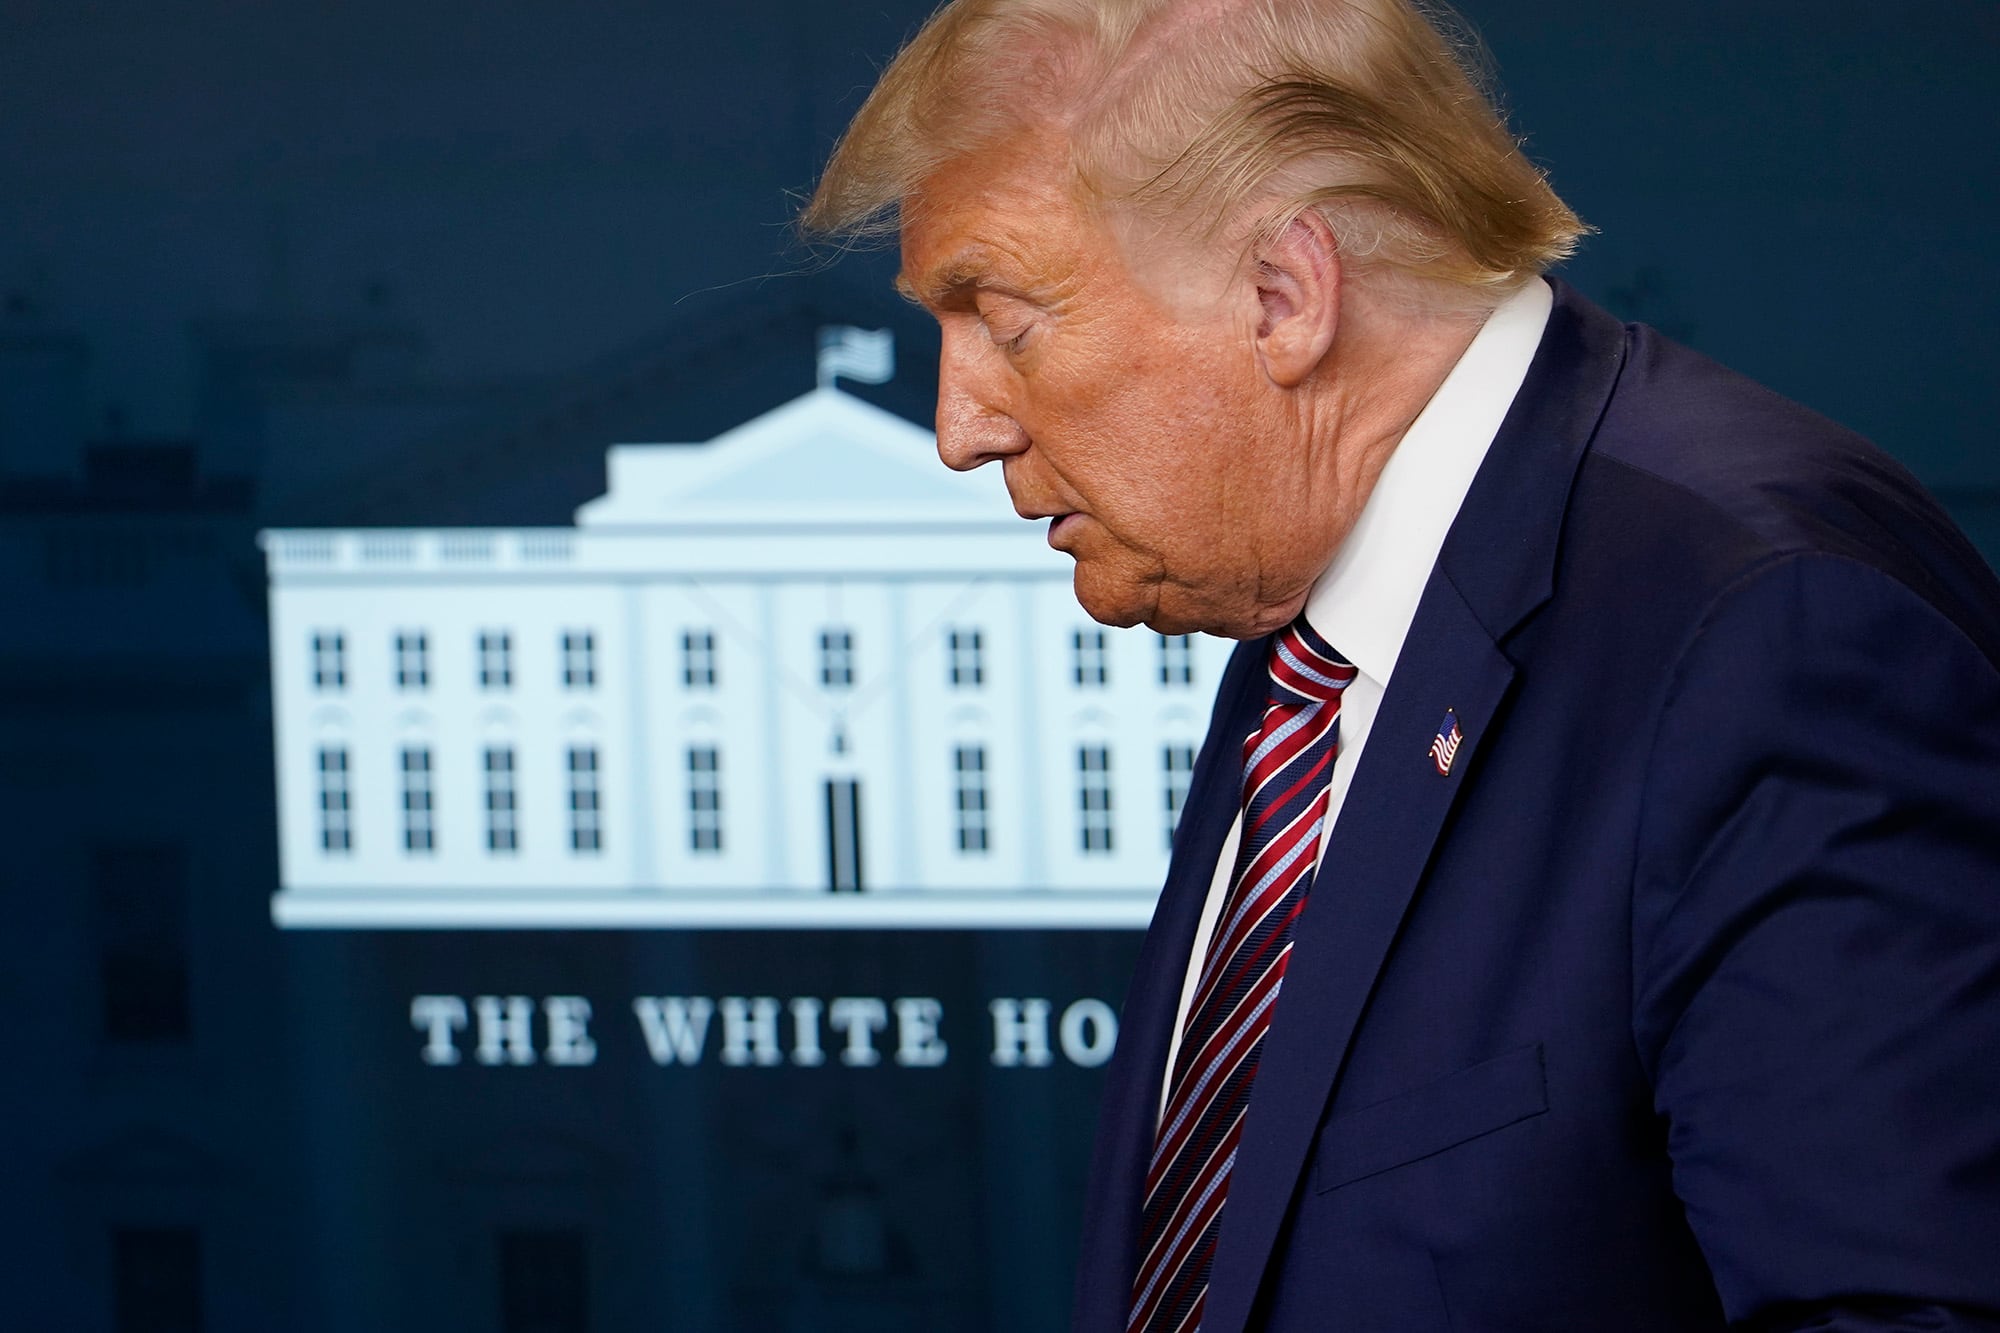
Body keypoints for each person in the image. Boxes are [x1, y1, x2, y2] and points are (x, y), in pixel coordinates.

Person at [803, 0, 2000, 1328]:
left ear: (1283, 295)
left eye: (1007, 319)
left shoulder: (1773, 633)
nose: (957, 426)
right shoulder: (1299, 614)